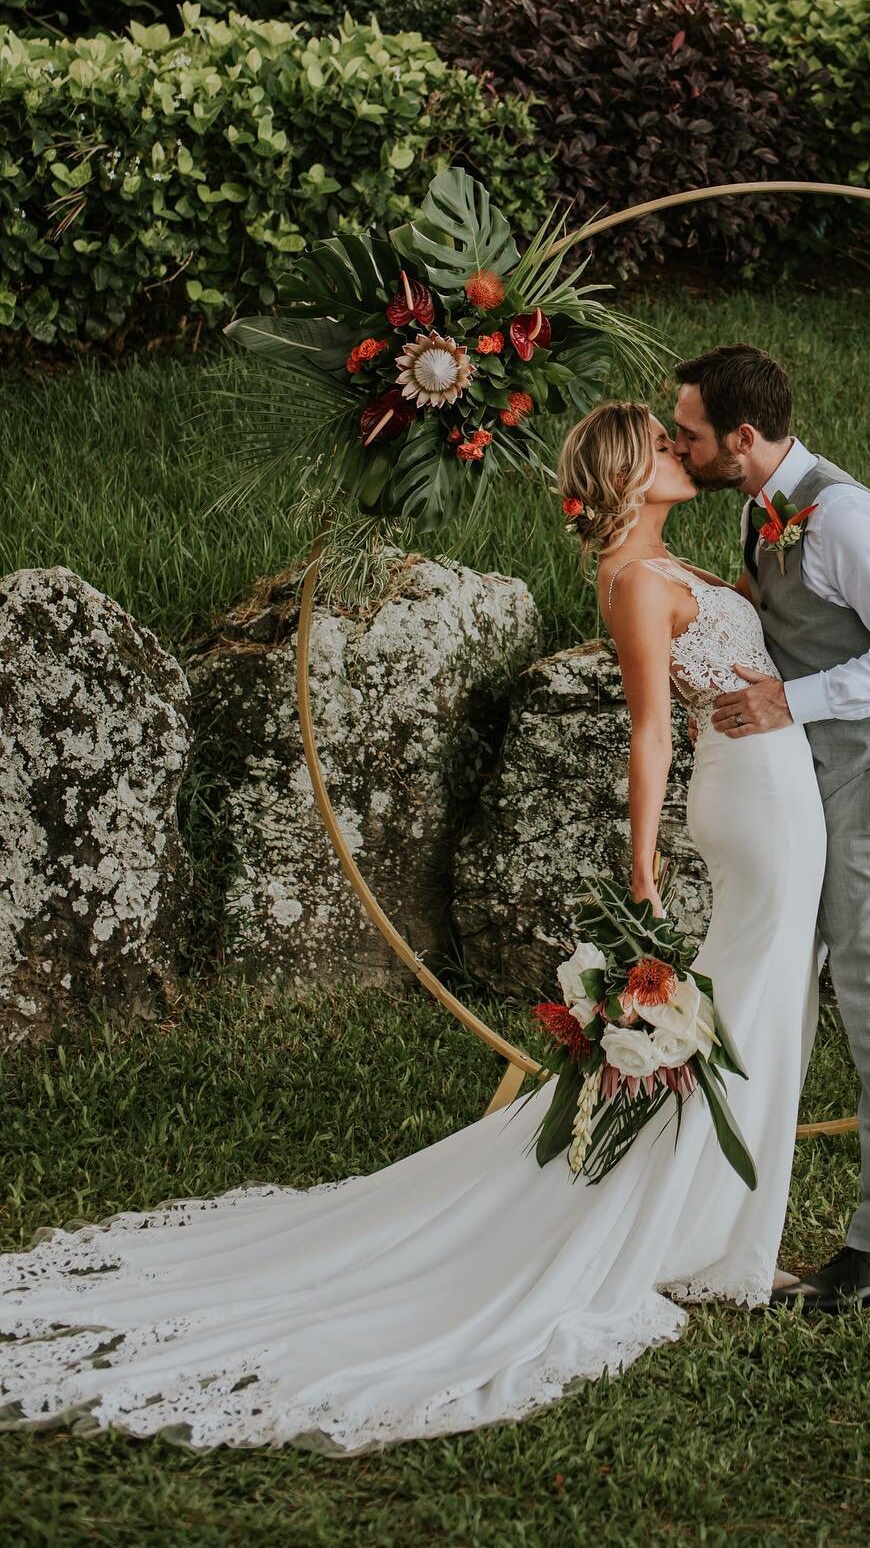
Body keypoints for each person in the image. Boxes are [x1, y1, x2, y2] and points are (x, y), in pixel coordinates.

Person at [0, 402, 828, 1453]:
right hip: (752, 806)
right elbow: (653, 725)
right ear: (627, 474)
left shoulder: (685, 563)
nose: (682, 453)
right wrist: (642, 864)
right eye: (664, 448)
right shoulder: (633, 583)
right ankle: (718, 1242)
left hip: (783, 790)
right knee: (748, 1005)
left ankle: (717, 1224)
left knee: (765, 1002)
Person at [672, 344, 870, 1311]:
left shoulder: (849, 518)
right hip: (811, 777)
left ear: (741, 439)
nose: (680, 444)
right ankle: (718, 1213)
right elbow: (787, 604)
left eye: (690, 434)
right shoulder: (761, 503)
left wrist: (791, 698)